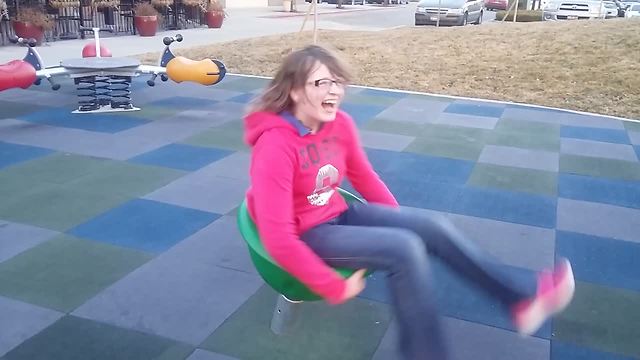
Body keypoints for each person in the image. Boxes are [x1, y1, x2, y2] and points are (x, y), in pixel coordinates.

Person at [242, 44, 575, 360]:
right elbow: (278, 236)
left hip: (337, 213)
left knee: (430, 228)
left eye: (337, 82)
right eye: (321, 82)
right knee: (404, 249)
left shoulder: (339, 124)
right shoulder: (276, 145)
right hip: (306, 232)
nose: (334, 91)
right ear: (296, 91)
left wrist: (398, 219)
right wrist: (332, 285)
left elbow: (364, 176)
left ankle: (519, 300)